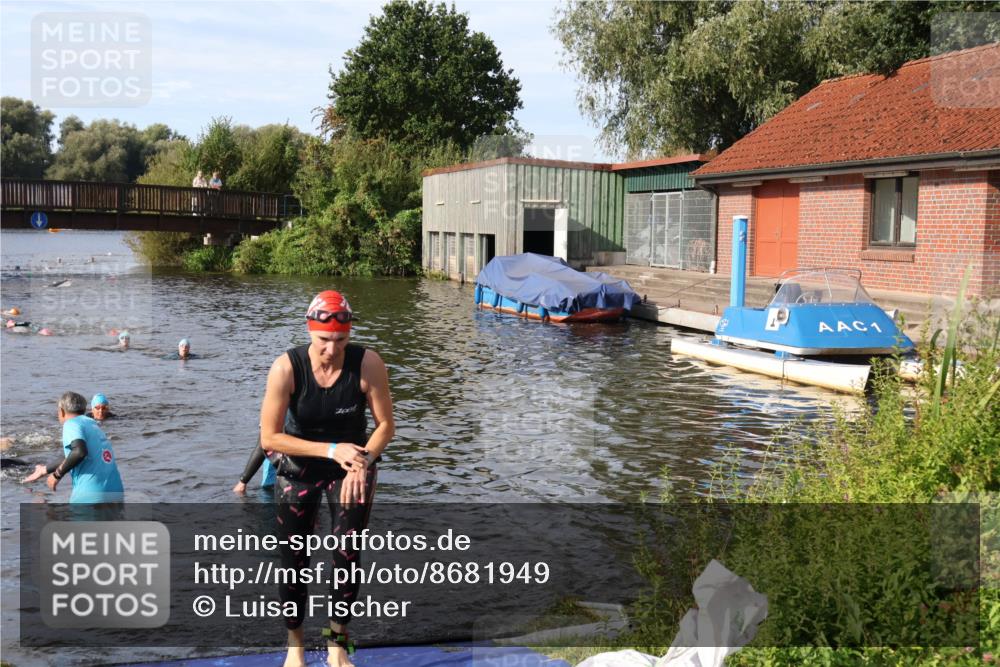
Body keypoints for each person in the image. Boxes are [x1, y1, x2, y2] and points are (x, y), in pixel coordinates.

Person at [260, 290, 394, 667]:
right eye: (323, 341)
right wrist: (332, 449)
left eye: (340, 341)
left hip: (352, 468)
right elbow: (269, 437)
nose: (331, 350)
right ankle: (295, 647)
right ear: (309, 332)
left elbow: (386, 425)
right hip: (300, 467)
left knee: (347, 555)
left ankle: (337, 647)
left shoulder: (368, 364)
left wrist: (364, 459)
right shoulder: (286, 368)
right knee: (293, 559)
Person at [23, 391, 124, 504]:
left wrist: (56, 475)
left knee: (41, 508)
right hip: (116, 492)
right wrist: (43, 470)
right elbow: (72, 455)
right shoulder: (91, 424)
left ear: (61, 411)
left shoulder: (71, 424)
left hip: (91, 494)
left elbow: (79, 452)